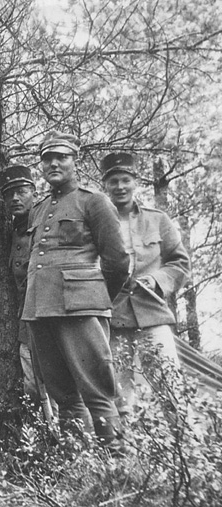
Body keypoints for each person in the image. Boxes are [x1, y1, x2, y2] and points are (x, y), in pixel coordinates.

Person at [23, 131, 130, 451]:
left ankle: (115, 460)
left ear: (75, 161)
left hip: (80, 308)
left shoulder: (94, 201)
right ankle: (78, 463)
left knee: (98, 390)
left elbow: (117, 261)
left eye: (62, 157)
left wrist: (94, 299)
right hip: (41, 308)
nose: (54, 164)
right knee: (63, 394)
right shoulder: (38, 209)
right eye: (47, 159)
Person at [100, 152, 190, 417]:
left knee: (171, 389)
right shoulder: (96, 222)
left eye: (125, 180)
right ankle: (127, 444)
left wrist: (157, 280)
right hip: (113, 319)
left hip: (152, 315)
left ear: (135, 182)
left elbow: (179, 263)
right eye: (113, 181)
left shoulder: (157, 219)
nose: (120, 187)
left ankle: (181, 441)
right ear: (105, 185)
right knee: (120, 397)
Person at [0, 165, 45, 406]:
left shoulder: (45, 224)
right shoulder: (14, 231)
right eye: (9, 194)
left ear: (34, 194)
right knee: (33, 388)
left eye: (21, 192)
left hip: (50, 320)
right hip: (26, 323)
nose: (15, 198)